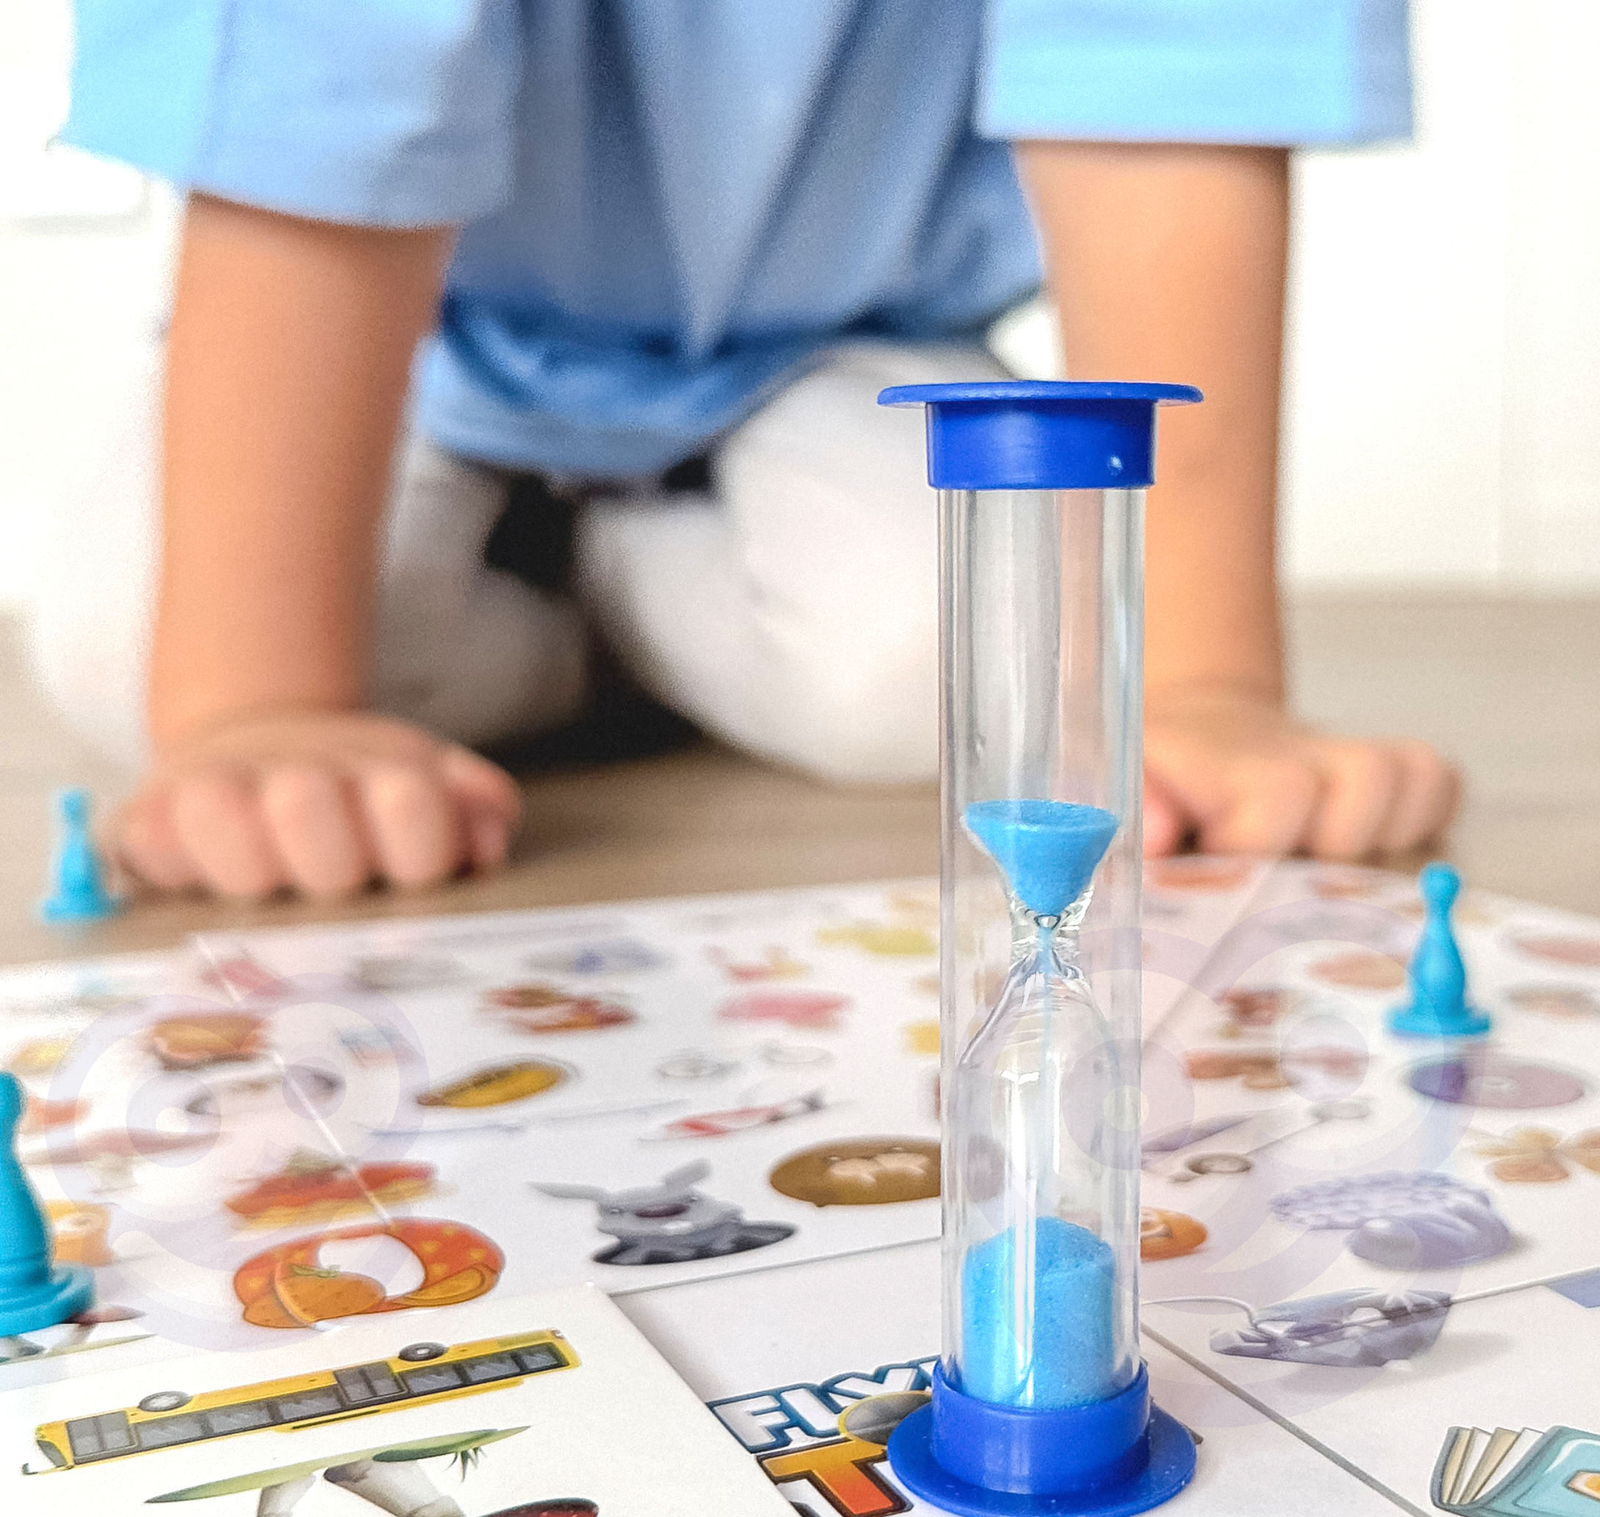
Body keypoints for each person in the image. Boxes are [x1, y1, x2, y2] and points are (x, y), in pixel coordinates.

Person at [40, 0, 1458, 901]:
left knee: (982, 672)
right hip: (426, 349)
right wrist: (257, 706)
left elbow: (1172, 73)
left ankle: (601, 590)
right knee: (137, 649)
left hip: (843, 347)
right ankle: (609, 615)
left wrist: (1203, 686)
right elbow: (312, 89)